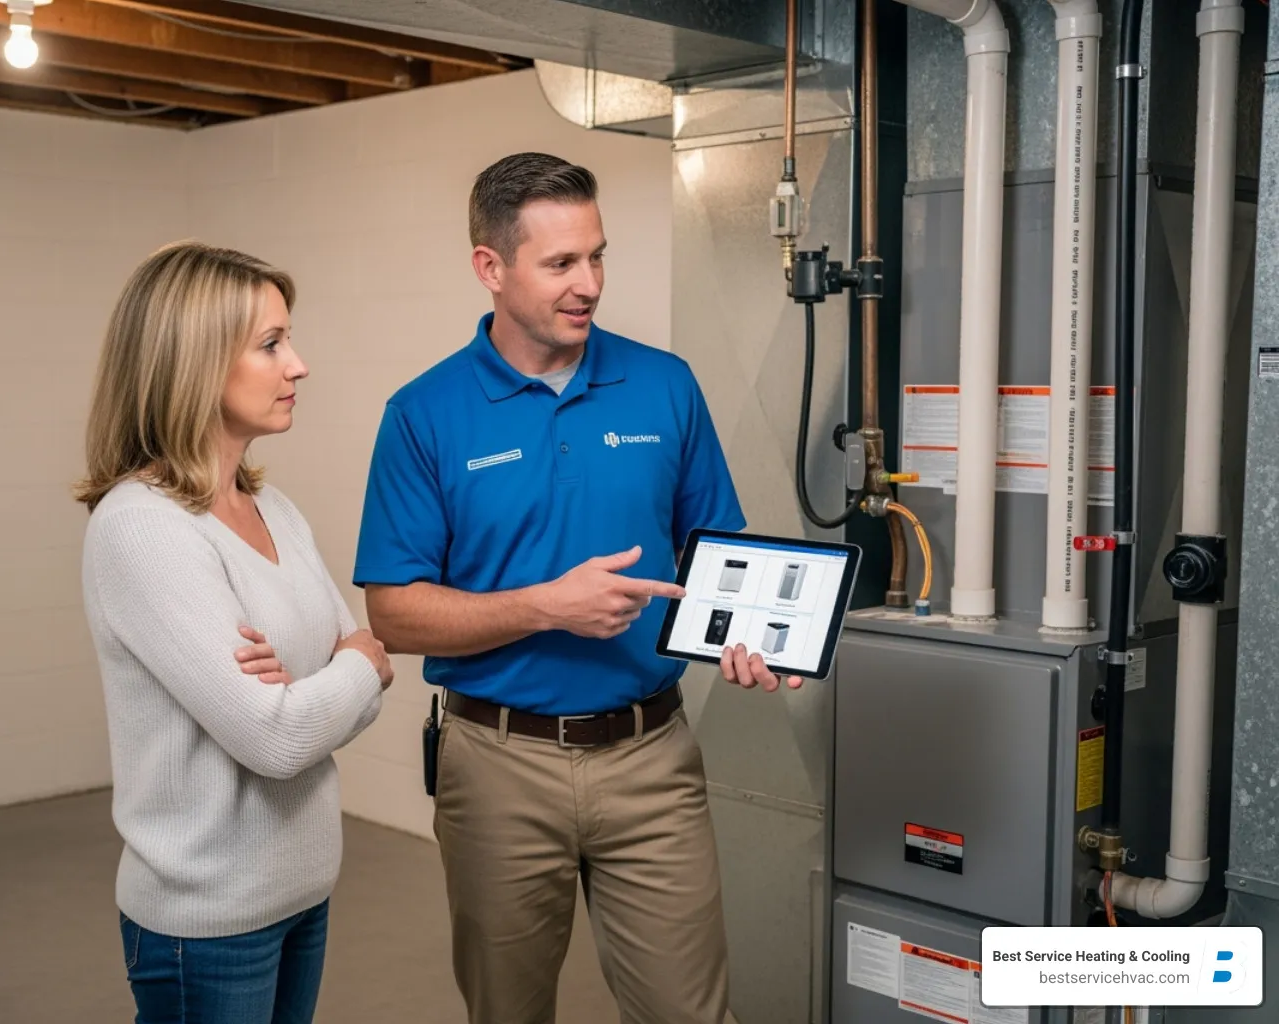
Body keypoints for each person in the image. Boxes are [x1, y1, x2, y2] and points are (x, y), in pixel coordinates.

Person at [352, 152, 798, 1024]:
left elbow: (721, 548)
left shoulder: (664, 384)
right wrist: (545, 606)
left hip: (653, 761)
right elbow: (394, 614)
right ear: (491, 267)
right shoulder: (425, 414)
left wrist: (748, 633)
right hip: (497, 766)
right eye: (560, 263)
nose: (588, 283)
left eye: (597, 256)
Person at [76, 241, 392, 1024]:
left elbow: (362, 671)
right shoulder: (143, 529)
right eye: (271, 344)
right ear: (194, 363)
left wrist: (323, 678)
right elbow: (282, 738)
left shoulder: (273, 509)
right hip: (207, 919)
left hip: (303, 887)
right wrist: (343, 669)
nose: (299, 365)